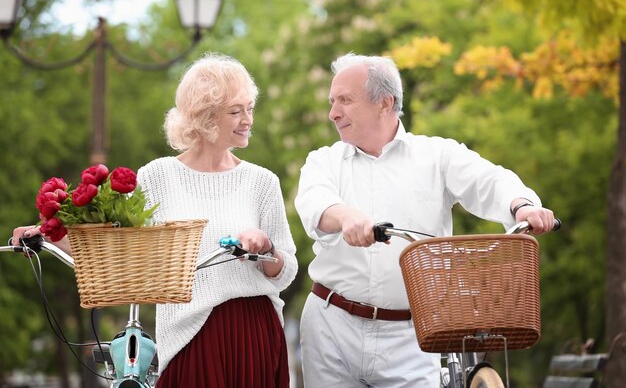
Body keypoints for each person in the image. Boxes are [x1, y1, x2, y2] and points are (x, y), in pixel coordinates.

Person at [13, 52, 298, 388]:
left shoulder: (261, 181)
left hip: (252, 330)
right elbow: (115, 249)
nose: (248, 119)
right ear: (205, 117)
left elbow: (286, 271)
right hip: (188, 333)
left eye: (250, 108)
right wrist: (45, 234)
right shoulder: (158, 176)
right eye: (236, 111)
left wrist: (266, 248)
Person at [294, 52, 555, 388]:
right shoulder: (324, 161)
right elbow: (316, 201)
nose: (333, 113)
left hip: (410, 335)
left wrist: (522, 207)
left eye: (344, 100)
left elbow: (488, 179)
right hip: (331, 326)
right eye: (332, 101)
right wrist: (346, 217)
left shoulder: (437, 155)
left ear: (384, 103)